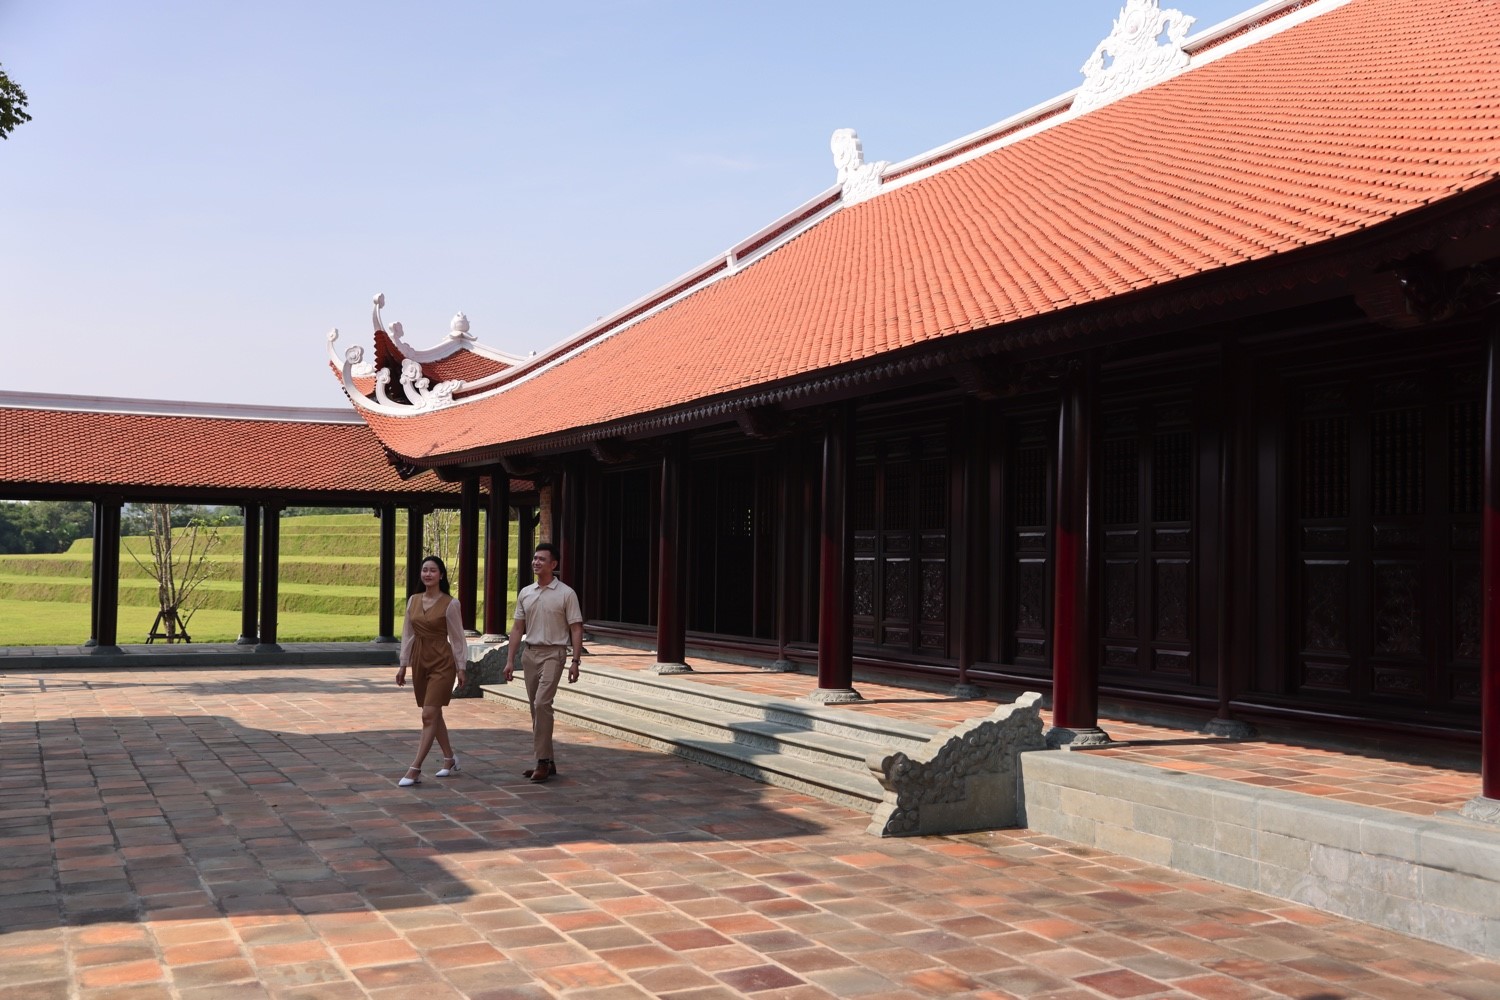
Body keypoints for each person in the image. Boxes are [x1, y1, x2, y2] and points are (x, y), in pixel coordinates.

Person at [503, 541, 583, 783]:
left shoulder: (566, 593)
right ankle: (548, 760)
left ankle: (541, 762)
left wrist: (575, 660)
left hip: (554, 654)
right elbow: (518, 628)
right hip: (530, 655)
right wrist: (509, 660)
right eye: (535, 558)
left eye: (541, 559)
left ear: (553, 564)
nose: (536, 562)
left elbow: (576, 628)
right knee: (535, 709)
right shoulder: (526, 593)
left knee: (541, 703)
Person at [394, 554, 468, 786]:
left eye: (433, 570)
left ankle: (415, 768)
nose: (428, 574)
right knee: (434, 713)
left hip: (442, 662)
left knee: (428, 714)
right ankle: (449, 758)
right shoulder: (413, 600)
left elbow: (458, 638)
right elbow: (408, 634)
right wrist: (403, 664)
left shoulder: (450, 604)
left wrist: (461, 667)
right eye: (425, 570)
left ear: (441, 575)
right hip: (420, 659)